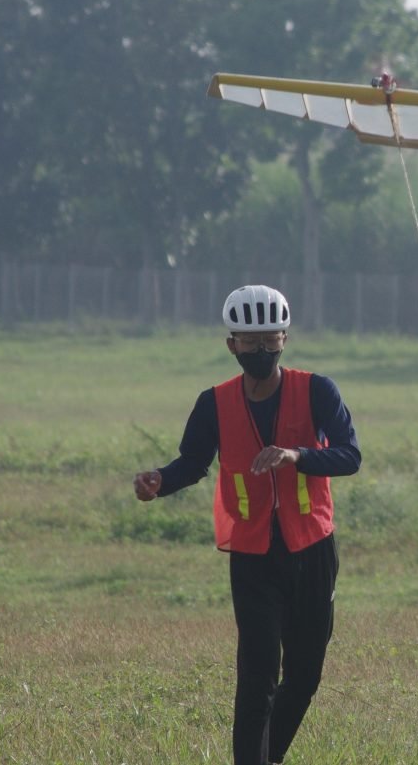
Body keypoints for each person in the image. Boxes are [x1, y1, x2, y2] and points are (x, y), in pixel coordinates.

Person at [133, 284, 361, 765]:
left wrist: (296, 454)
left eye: (270, 340)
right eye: (250, 342)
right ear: (231, 345)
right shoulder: (214, 403)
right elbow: (192, 462)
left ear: (285, 339)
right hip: (253, 556)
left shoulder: (317, 391)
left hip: (312, 550)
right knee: (257, 677)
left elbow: (350, 456)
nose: (261, 350)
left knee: (304, 675)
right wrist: (159, 481)